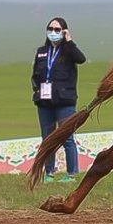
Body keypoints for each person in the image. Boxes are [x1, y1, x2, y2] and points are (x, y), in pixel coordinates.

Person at [31, 17, 85, 183]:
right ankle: (49, 173)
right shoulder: (42, 51)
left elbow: (81, 59)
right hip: (45, 102)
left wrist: (69, 41)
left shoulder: (68, 51)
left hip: (65, 102)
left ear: (64, 32)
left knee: (67, 137)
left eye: (57, 29)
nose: (53, 32)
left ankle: (71, 174)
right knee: (48, 139)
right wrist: (37, 89)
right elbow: (35, 74)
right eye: (51, 29)